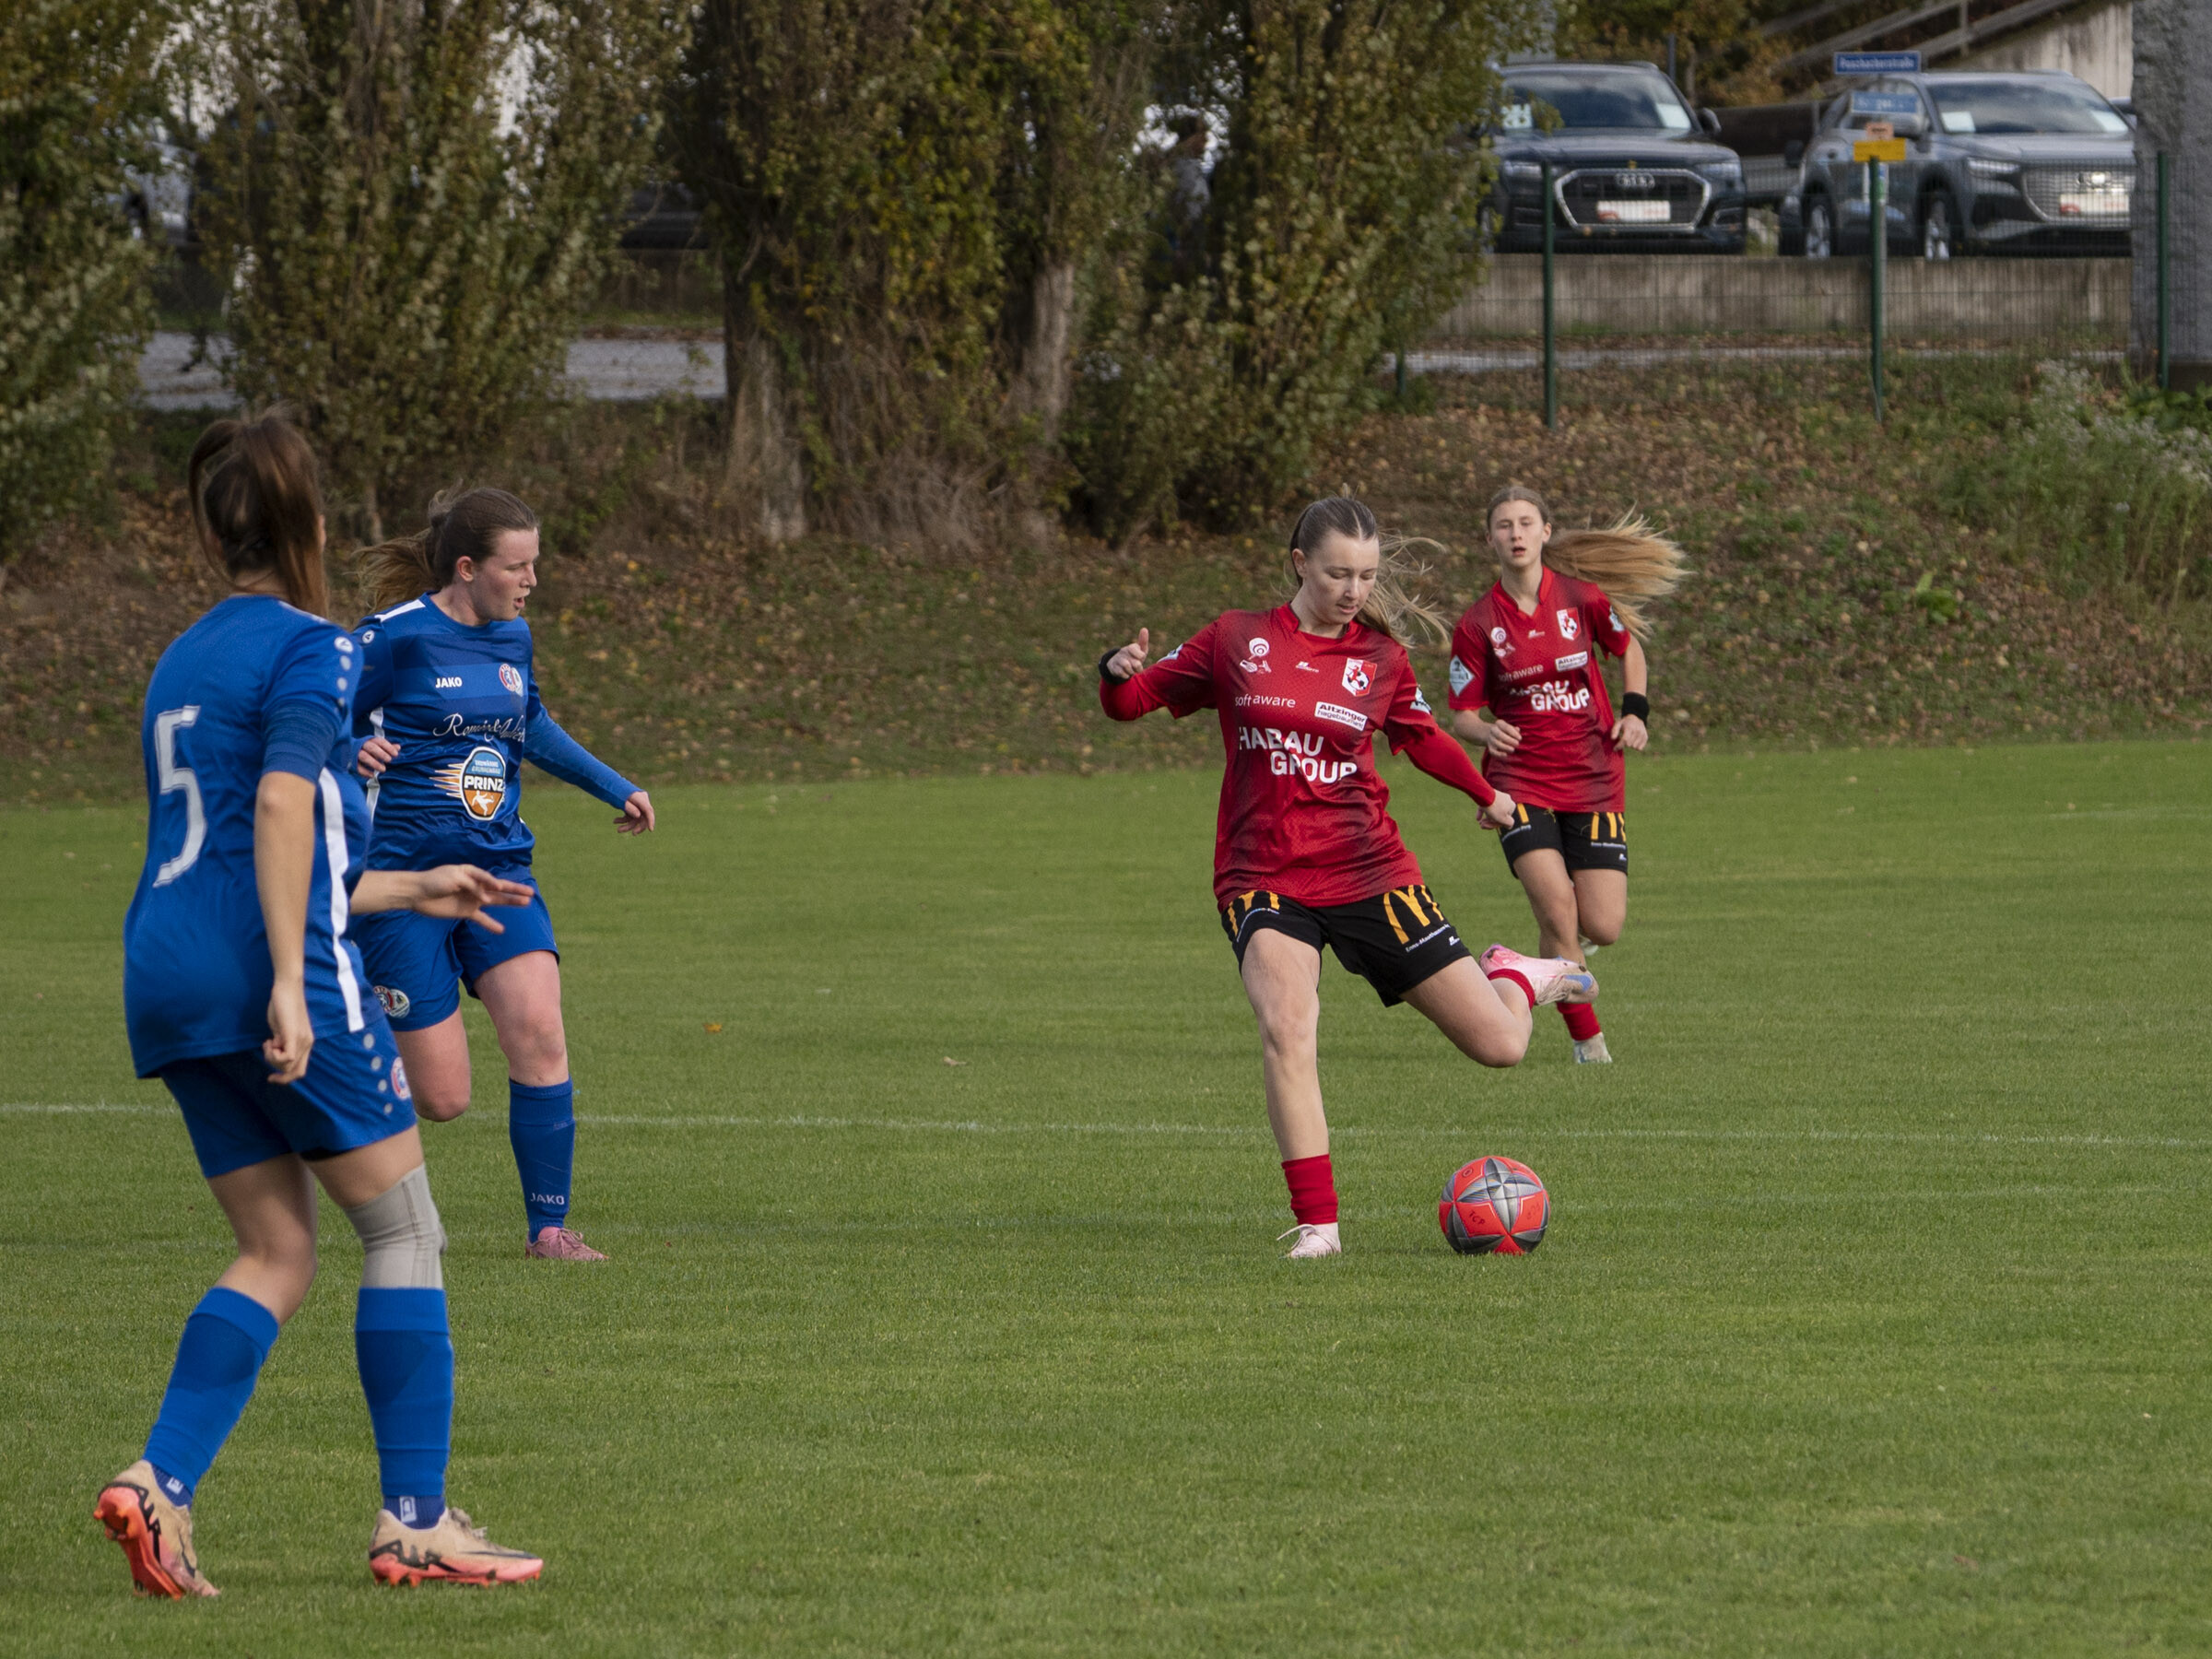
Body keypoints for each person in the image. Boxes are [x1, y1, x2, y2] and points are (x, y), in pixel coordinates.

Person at [100, 412, 546, 1596]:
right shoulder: (315, 647)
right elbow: (282, 810)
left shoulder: (181, 659)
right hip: (268, 972)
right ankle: (417, 1523)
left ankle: (156, 1485)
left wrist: (413, 884)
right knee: (403, 1232)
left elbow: (244, 848)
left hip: (167, 976)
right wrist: (294, 989)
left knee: (277, 1247)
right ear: (312, 524)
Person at [1098, 496, 1596, 1260]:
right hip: (1262, 875)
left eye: (1365, 576)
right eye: (1338, 574)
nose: (1354, 590)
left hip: (1370, 871)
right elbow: (1132, 702)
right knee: (1287, 1026)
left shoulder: (1381, 659)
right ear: (1300, 564)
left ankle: (1514, 976)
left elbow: (1424, 739)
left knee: (1501, 1046)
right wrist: (1115, 670)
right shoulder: (1236, 639)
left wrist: (1490, 796)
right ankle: (1319, 1226)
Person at [349, 488, 653, 1262]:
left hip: (499, 872)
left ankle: (548, 1230)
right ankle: (332, 1041)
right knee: (444, 1098)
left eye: (534, 565)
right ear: (466, 568)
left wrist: (614, 785)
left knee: (541, 1033)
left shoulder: (513, 636)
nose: (531, 581)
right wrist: (345, 750)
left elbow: (532, 726)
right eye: (517, 567)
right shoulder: (391, 639)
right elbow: (303, 717)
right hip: (402, 887)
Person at [1446, 485, 1687, 1065]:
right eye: (1504, 525)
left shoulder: (1582, 599)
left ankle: (1523, 965)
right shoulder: (1478, 624)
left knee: (1602, 926)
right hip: (1520, 781)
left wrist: (1635, 712)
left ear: (1546, 531)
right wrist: (1485, 732)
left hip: (1594, 774)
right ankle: (1588, 1041)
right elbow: (1462, 715)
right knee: (1556, 910)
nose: (1516, 533)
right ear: (1489, 539)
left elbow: (1629, 649)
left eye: (1526, 522)